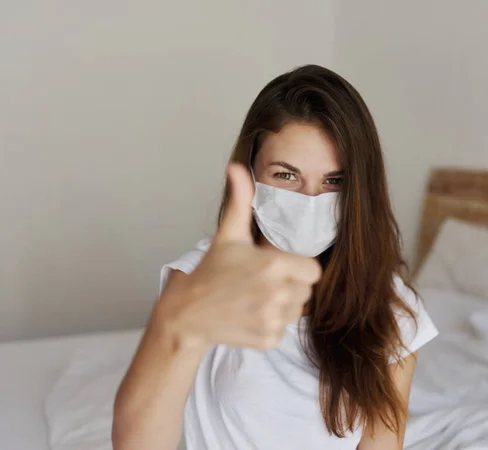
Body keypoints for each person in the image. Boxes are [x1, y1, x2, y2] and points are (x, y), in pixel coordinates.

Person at [113, 65, 438, 450]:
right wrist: (176, 326)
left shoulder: (393, 308)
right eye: (286, 176)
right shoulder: (205, 279)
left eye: (335, 181)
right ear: (251, 174)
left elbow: (382, 442)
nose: (311, 201)